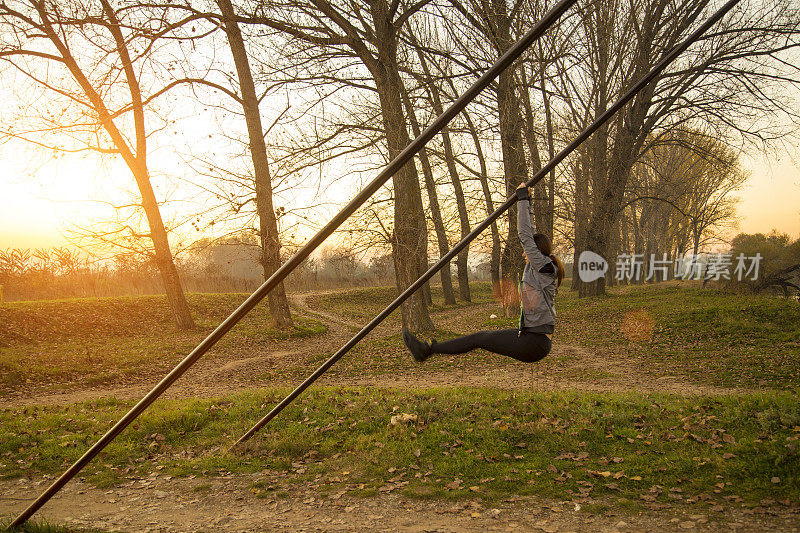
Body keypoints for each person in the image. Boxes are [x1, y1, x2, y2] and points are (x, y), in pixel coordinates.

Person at [402, 181, 564, 363]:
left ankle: (426, 350)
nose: (523, 252)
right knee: (479, 337)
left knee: (479, 339)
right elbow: (530, 233)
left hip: (534, 343)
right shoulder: (542, 267)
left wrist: (523, 199)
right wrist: (528, 203)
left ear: (537, 250)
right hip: (532, 339)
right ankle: (426, 349)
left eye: (528, 250)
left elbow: (526, 236)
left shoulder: (543, 266)